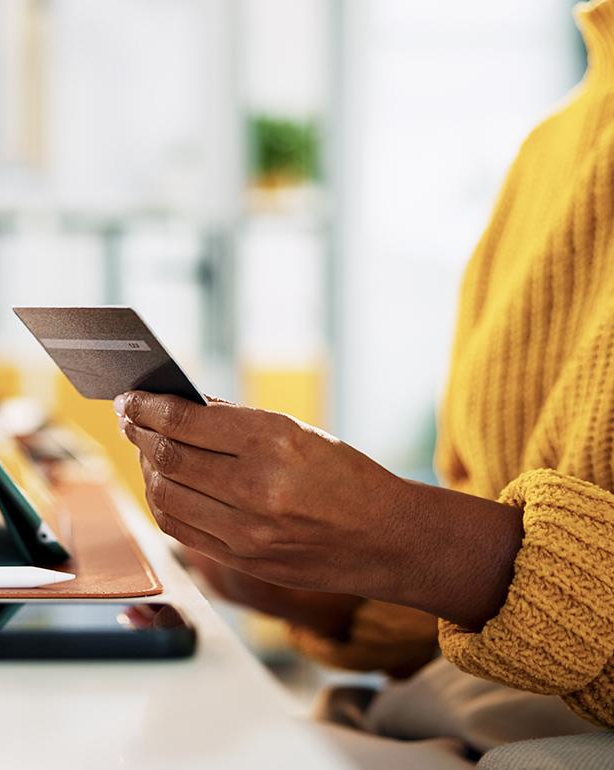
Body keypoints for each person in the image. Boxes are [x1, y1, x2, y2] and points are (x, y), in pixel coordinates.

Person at [117, 0, 614, 765]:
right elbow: (509, 617)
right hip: (446, 714)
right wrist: (314, 584)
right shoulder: (552, 148)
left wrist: (409, 539)